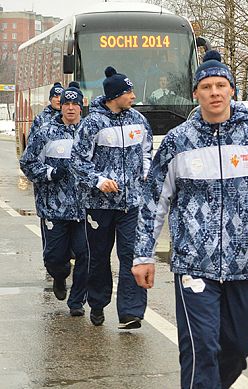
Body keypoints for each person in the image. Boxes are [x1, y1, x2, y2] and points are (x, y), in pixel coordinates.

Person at [132, 50, 248, 388]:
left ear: (232, 90)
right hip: (194, 264)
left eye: (221, 85)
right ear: (196, 93)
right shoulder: (179, 142)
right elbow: (153, 201)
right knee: (201, 348)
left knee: (237, 347)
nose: (215, 92)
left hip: (246, 263)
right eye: (206, 86)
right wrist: (143, 255)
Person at [72, 66, 153, 329]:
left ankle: (131, 311)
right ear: (114, 95)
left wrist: (144, 177)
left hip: (131, 203)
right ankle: (97, 302)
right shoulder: (93, 123)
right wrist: (99, 181)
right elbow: (77, 161)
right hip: (99, 205)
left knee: (132, 254)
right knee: (99, 256)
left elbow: (147, 154)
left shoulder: (138, 120)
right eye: (128, 91)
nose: (132, 95)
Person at [20, 82, 89, 316]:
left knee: (85, 254)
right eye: (66, 104)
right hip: (54, 207)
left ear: (81, 107)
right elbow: (27, 163)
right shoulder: (46, 132)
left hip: (84, 208)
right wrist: (49, 173)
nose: (70, 108)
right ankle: (59, 276)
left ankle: (77, 301)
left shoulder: (89, 133)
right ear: (61, 107)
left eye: (74, 104)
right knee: (55, 257)